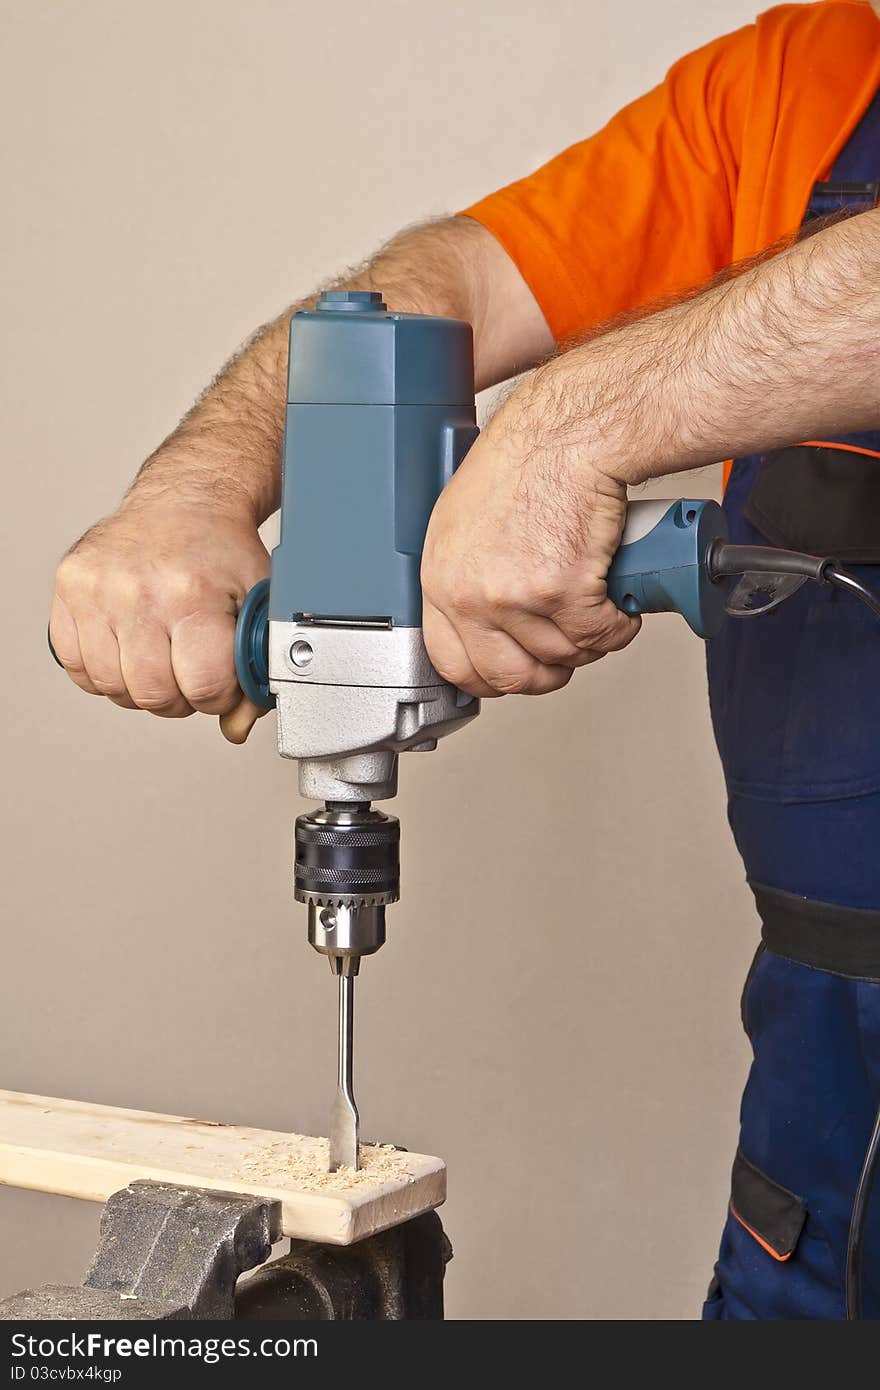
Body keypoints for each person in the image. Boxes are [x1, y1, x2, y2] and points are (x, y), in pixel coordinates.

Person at [48, 1, 880, 1318]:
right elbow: (435, 288)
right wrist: (191, 491)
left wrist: (574, 423)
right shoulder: (802, 75)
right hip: (822, 1092)